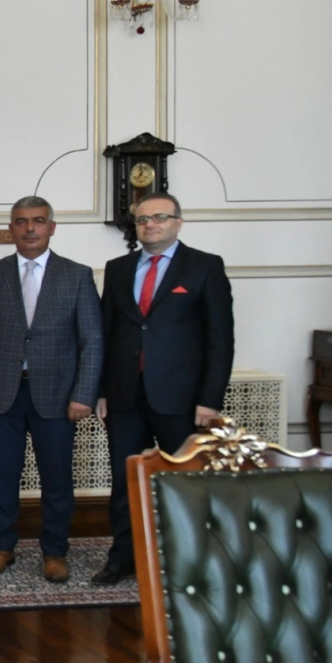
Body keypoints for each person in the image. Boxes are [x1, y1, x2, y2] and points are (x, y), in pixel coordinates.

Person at [94, 192, 233, 585]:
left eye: (159, 217)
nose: (150, 225)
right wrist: (102, 391)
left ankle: (188, 562)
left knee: (184, 483)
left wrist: (209, 400)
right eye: (142, 220)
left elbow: (220, 341)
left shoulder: (204, 267)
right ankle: (123, 558)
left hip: (182, 400)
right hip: (125, 396)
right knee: (126, 481)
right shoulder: (118, 268)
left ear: (178, 222)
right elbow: (107, 334)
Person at [0, 197, 102, 582]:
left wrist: (84, 394)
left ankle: (55, 551)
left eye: (38, 221)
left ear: (52, 227)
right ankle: (1, 546)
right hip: (2, 394)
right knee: (2, 476)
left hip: (58, 396)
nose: (30, 229)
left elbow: (92, 340)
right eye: (22, 222)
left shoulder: (76, 275)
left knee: (56, 478)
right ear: (11, 229)